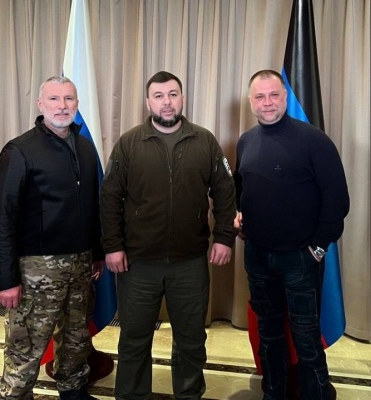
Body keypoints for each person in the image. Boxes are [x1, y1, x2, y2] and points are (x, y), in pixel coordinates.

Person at [100, 71, 238, 400]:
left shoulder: (204, 141)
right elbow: (109, 198)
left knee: (191, 339)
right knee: (134, 339)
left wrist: (224, 237)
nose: (167, 102)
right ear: (148, 102)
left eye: (173, 94)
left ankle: (189, 394)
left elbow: (225, 191)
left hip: (189, 262)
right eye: (159, 96)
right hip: (137, 263)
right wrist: (113, 246)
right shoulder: (129, 143)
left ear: (182, 99)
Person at [234, 69, 349, 400]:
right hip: (258, 256)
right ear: (251, 101)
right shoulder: (245, 141)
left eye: (274, 95)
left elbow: (338, 201)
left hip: (301, 258)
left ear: (285, 97)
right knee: (269, 335)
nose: (267, 102)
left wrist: (317, 249)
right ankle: (275, 393)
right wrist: (240, 217)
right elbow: (241, 189)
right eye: (260, 96)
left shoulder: (315, 140)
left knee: (306, 338)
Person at [0, 75, 103, 400]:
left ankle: (73, 391)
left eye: (69, 99)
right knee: (26, 345)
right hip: (37, 269)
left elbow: (91, 205)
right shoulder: (20, 150)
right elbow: (3, 219)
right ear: (41, 104)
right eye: (54, 99)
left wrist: (97, 252)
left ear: (77, 104)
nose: (62, 106)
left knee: (77, 337)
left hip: (81, 264)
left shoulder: (85, 147)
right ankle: (14, 396)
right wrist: (7, 279)